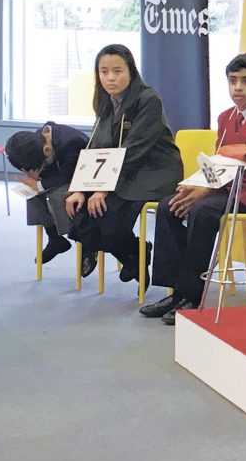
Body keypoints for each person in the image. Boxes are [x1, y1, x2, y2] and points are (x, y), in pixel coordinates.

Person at [140, 53, 246, 325]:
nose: (237, 87)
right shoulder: (225, 118)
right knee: (169, 206)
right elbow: (218, 164)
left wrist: (207, 192)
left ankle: (192, 295)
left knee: (203, 211)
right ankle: (174, 291)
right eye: (233, 81)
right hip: (224, 187)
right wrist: (196, 184)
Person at [64, 45, 183, 285]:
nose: (110, 77)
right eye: (103, 71)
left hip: (152, 171)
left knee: (107, 216)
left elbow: (134, 150)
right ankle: (135, 254)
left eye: (117, 71)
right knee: (77, 213)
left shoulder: (148, 99)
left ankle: (132, 253)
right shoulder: (106, 102)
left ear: (131, 71)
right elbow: (94, 148)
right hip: (120, 172)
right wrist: (80, 187)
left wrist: (102, 188)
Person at [6, 122, 89, 264]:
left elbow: (69, 175)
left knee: (56, 196)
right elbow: (47, 171)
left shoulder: (71, 142)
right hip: (62, 177)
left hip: (83, 180)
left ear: (47, 150)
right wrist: (35, 179)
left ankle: (85, 241)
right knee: (32, 195)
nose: (42, 168)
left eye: (41, 165)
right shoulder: (35, 141)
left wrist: (39, 183)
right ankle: (55, 239)